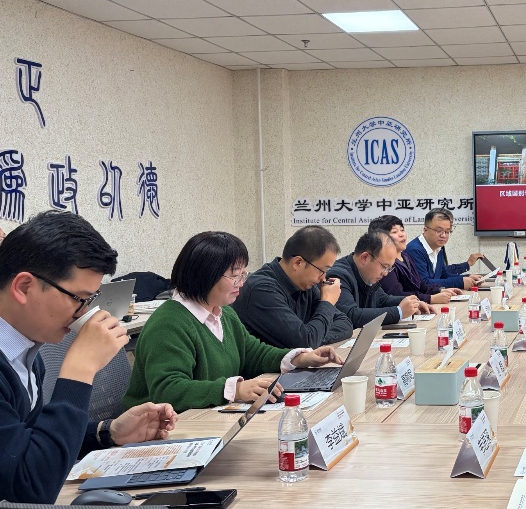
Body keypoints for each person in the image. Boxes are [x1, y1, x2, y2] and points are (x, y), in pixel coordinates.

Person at [0, 211, 178, 504]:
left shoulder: (25, 352)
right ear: (24, 287)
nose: (84, 313)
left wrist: (106, 432)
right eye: (79, 299)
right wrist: (79, 369)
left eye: (91, 300)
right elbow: (30, 490)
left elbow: (27, 443)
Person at [124, 232, 344, 413]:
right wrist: (234, 390)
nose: (241, 283)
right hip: (159, 431)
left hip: (207, 418)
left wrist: (300, 358)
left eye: (243, 274)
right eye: (235, 276)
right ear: (206, 275)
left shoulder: (224, 313)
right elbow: (168, 390)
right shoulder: (169, 322)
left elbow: (253, 353)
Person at [233, 226, 351, 349]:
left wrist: (317, 337)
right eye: (322, 270)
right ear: (297, 263)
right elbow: (306, 342)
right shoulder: (261, 289)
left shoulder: (306, 285)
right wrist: (327, 303)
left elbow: (345, 323)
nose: (323, 278)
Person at [328, 231, 434, 327]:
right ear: (364, 257)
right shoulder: (338, 276)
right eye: (384, 266)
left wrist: (412, 303)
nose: (386, 273)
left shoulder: (368, 273)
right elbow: (351, 315)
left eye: (389, 268)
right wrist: (399, 312)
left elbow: (383, 300)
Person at [369, 215, 460, 304]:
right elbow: (397, 295)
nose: (401, 234)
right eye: (394, 232)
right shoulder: (384, 264)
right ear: (380, 238)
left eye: (402, 230)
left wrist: (440, 290)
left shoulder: (406, 256)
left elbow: (421, 285)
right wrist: (430, 298)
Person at [405, 208, 484, 290]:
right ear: (425, 230)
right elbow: (424, 283)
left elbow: (443, 275)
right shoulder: (415, 250)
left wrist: (467, 278)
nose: (443, 235)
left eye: (447, 231)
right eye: (439, 231)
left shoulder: (438, 247)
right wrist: (460, 282)